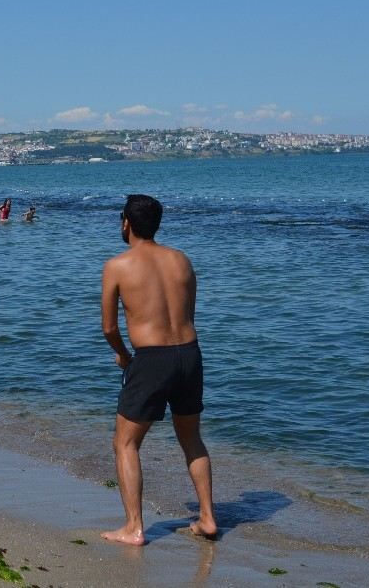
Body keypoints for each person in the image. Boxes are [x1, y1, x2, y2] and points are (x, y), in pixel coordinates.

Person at [99, 194, 216, 545]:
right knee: (191, 437)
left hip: (152, 359)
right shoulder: (181, 260)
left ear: (126, 223)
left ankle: (133, 527)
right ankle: (208, 518)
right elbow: (187, 314)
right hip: (189, 355)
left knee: (125, 443)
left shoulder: (118, 266)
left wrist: (123, 356)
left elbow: (108, 328)